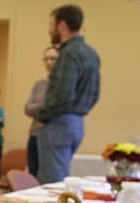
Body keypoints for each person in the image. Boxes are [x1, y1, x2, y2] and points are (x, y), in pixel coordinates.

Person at [36, 4, 100, 184]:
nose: (50, 30)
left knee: (52, 184)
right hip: (77, 123)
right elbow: (94, 95)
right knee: (61, 176)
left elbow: (62, 95)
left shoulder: (68, 53)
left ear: (62, 26)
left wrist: (42, 116)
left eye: (51, 25)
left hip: (58, 123)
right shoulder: (91, 53)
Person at [24, 46, 59, 178]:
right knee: (33, 175)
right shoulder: (39, 84)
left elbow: (58, 109)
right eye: (46, 59)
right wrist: (45, 106)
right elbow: (27, 108)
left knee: (49, 177)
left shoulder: (62, 86)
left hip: (52, 136)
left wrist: (38, 108)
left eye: (53, 59)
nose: (49, 62)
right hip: (35, 134)